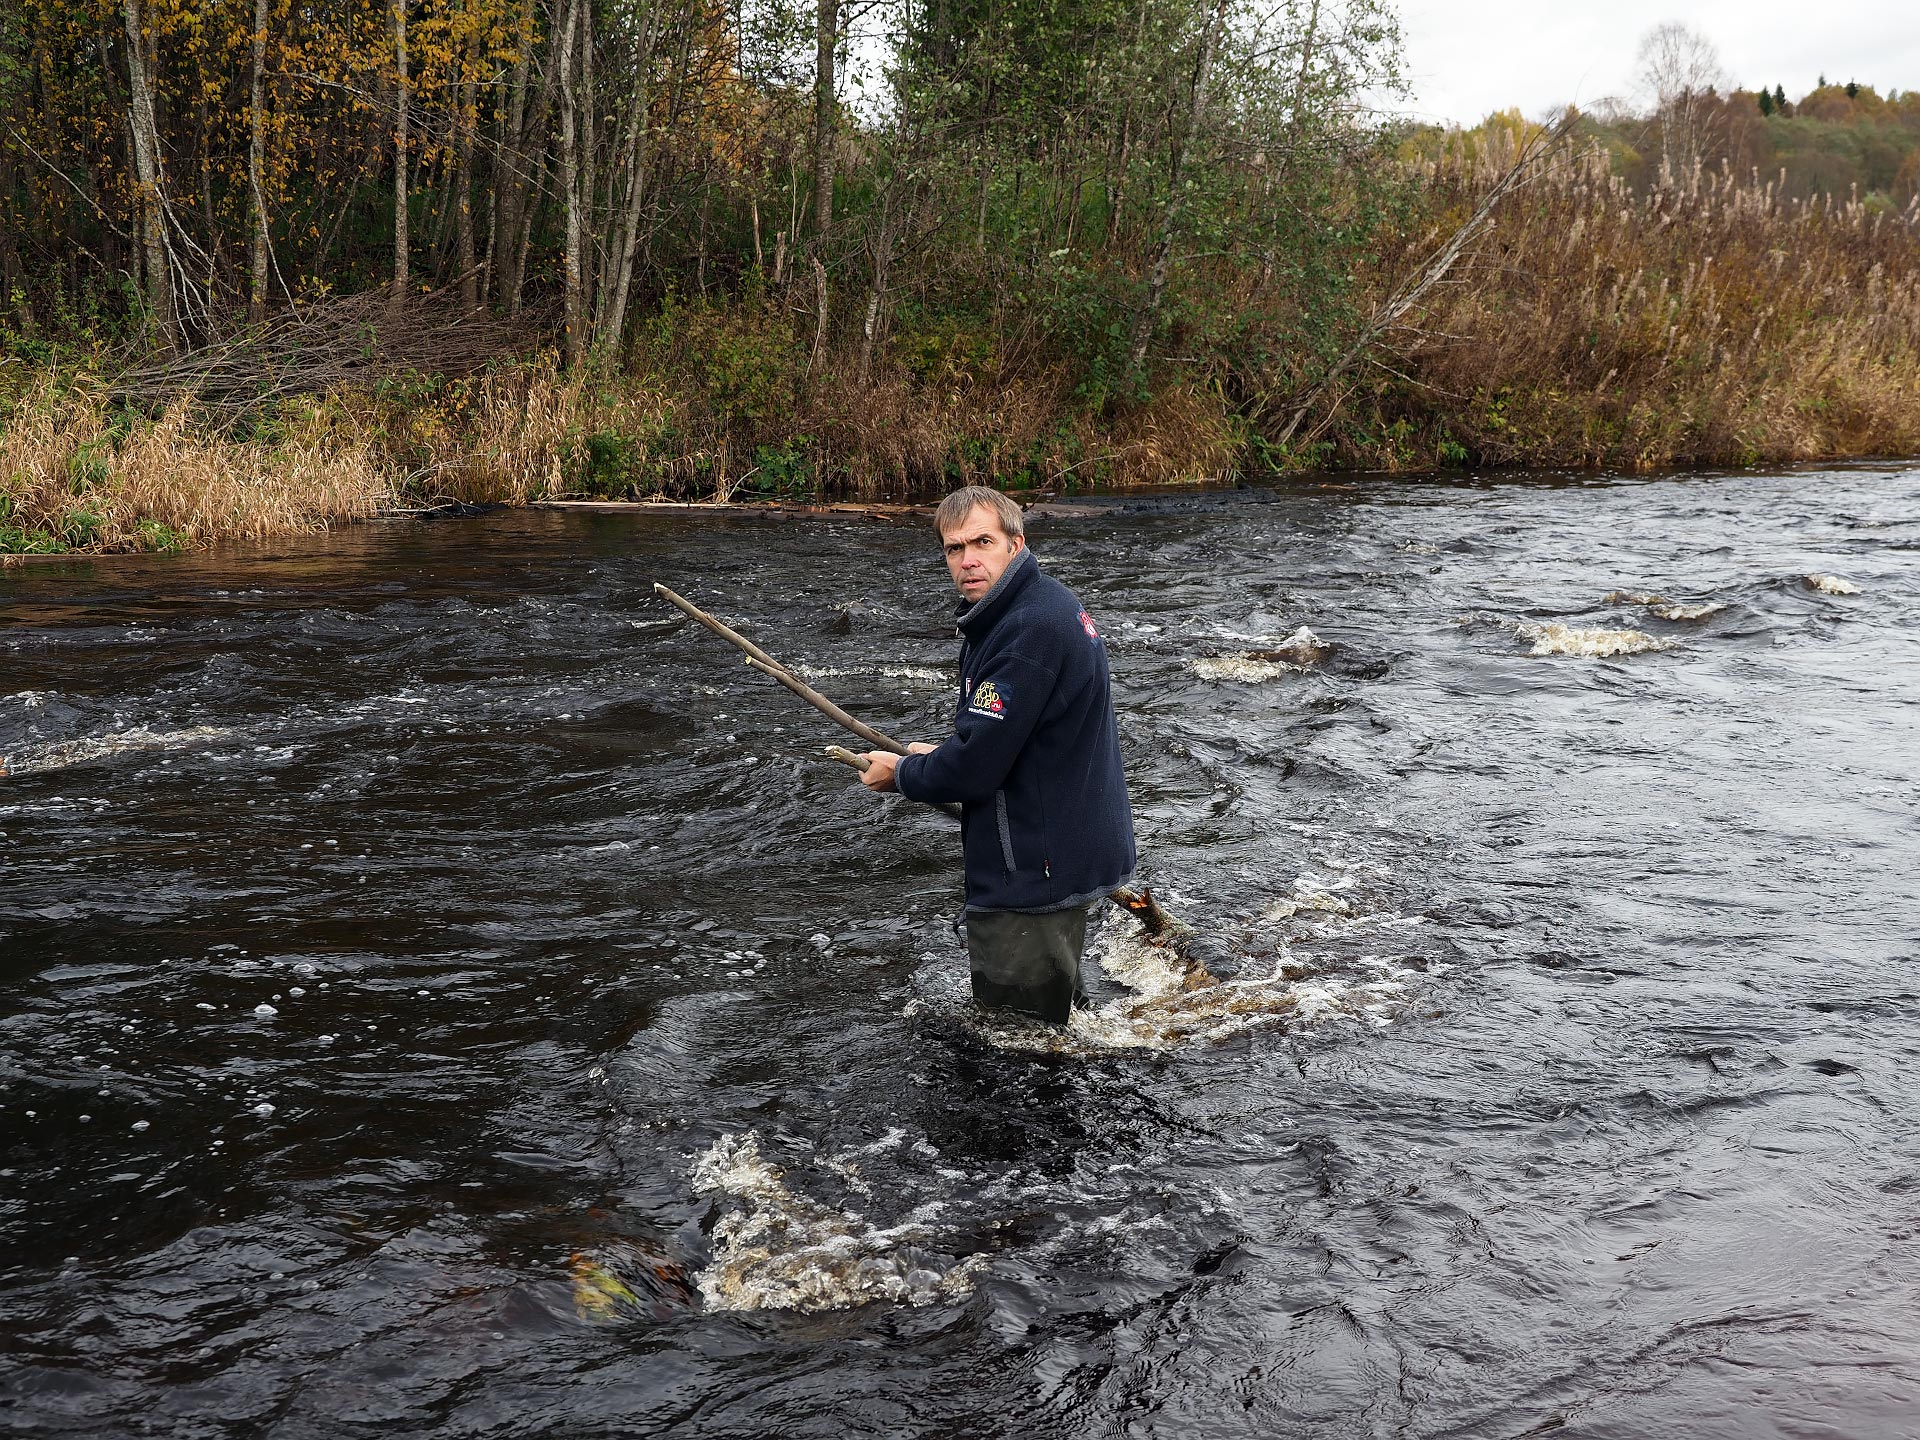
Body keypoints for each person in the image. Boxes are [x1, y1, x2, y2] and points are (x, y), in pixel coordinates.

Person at [859, 486, 1136, 1024]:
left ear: (1016, 543)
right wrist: (945, 752)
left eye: (982, 542)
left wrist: (905, 775)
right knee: (1057, 1025)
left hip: (1032, 872)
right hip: (1060, 846)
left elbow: (975, 769)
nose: (967, 560)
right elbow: (1014, 738)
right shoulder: (1038, 605)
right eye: (953, 548)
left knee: (1018, 1049)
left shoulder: (1026, 631)